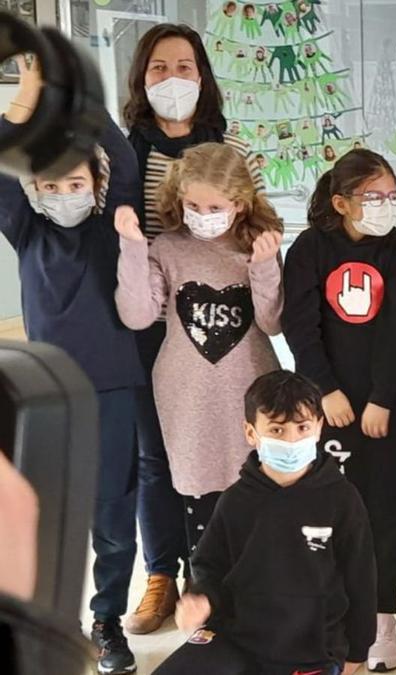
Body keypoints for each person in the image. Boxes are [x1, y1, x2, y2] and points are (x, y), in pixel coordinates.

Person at [0, 57, 143, 675]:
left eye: (75, 184)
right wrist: (25, 99)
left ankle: (107, 617)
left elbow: (124, 159)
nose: (63, 196)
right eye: (51, 186)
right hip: (46, 397)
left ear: (97, 183)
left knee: (113, 513)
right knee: (46, 513)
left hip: (110, 390)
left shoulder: (114, 227)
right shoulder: (27, 230)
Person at [122, 23, 265, 634]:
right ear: (141, 77)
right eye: (159, 68)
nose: (172, 78)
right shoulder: (124, 149)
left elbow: (252, 224)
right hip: (148, 311)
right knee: (157, 455)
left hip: (223, 319)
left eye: (185, 66)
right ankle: (161, 574)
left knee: (226, 451)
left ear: (203, 76)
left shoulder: (231, 147)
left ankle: (216, 576)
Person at [282, 150, 396, 672]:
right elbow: (301, 324)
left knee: (387, 513)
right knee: (328, 513)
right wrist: (325, 390)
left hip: (390, 405)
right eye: (373, 197)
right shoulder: (309, 248)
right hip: (328, 406)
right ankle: (329, 614)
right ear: (341, 202)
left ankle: (381, 617)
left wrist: (383, 398)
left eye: (392, 196)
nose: (385, 206)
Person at [114, 143, 284, 560]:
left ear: (240, 203)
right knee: (200, 504)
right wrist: (133, 248)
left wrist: (264, 267)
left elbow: (272, 323)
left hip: (249, 392)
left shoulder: (258, 246)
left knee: (257, 501)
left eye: (214, 206)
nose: (203, 216)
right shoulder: (168, 248)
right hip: (186, 396)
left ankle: (257, 604)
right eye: (193, 205)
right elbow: (137, 316)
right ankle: (203, 602)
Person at [155, 371, 375, 675]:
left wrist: (358, 651)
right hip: (237, 637)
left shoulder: (342, 499)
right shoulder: (234, 500)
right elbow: (209, 565)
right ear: (250, 433)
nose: (292, 440)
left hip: (313, 647)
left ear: (319, 428)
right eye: (276, 430)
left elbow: (361, 578)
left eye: (302, 427)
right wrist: (203, 598)